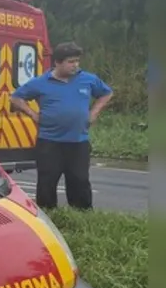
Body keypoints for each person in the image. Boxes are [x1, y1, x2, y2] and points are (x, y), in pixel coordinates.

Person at [10, 42, 113, 210]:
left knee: (79, 180)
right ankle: (49, 214)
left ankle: (82, 215)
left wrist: (94, 112)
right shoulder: (41, 82)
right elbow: (16, 98)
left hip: (78, 141)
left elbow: (106, 93)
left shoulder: (87, 79)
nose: (75, 65)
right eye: (71, 62)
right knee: (47, 180)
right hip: (50, 142)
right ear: (57, 62)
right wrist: (33, 114)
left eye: (77, 61)